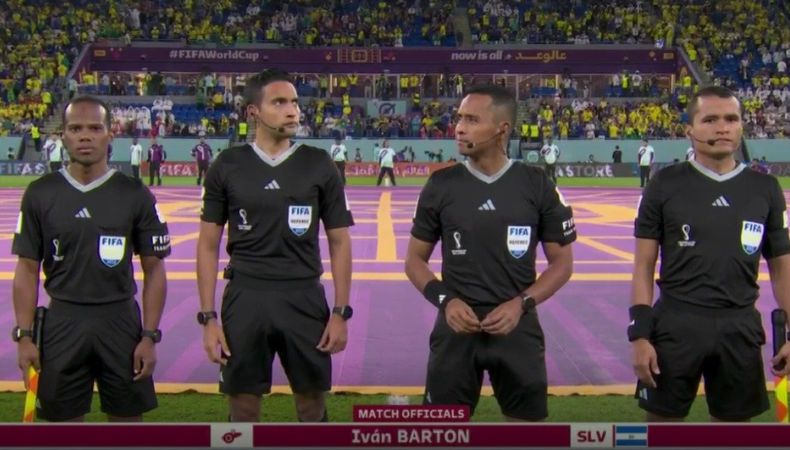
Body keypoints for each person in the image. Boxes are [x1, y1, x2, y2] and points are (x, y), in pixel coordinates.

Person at [405, 84, 576, 420]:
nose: (459, 127)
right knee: (441, 432)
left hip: (517, 327)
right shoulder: (440, 185)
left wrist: (520, 304)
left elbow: (562, 265)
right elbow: (414, 260)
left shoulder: (537, 184)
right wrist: (446, 301)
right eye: (459, 118)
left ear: (502, 129)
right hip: (455, 329)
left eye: (472, 119)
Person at [197, 69, 354, 423]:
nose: (292, 111)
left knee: (311, 405)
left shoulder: (319, 163)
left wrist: (341, 312)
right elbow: (207, 245)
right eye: (279, 102)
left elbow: (340, 241)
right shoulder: (227, 165)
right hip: (245, 297)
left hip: (304, 297)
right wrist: (208, 317)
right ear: (253, 112)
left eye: (294, 102)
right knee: (243, 408)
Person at [629, 86, 790, 423]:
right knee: (661, 429)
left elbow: (782, 269)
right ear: (689, 129)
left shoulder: (765, 189)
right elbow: (643, 266)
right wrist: (640, 335)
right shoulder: (663, 184)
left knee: (732, 433)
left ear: (742, 126)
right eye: (710, 120)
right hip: (675, 323)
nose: (722, 128)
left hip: (740, 326)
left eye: (731, 119)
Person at [11, 95, 170, 422]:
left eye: (95, 128)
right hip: (62, 321)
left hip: (120, 321)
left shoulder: (134, 193)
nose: (85, 136)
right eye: (76, 128)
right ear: (63, 135)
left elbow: (155, 270)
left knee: (128, 426)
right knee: (63, 429)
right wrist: (24, 336)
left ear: (111, 133)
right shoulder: (40, 193)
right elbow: (26, 269)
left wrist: (149, 336)